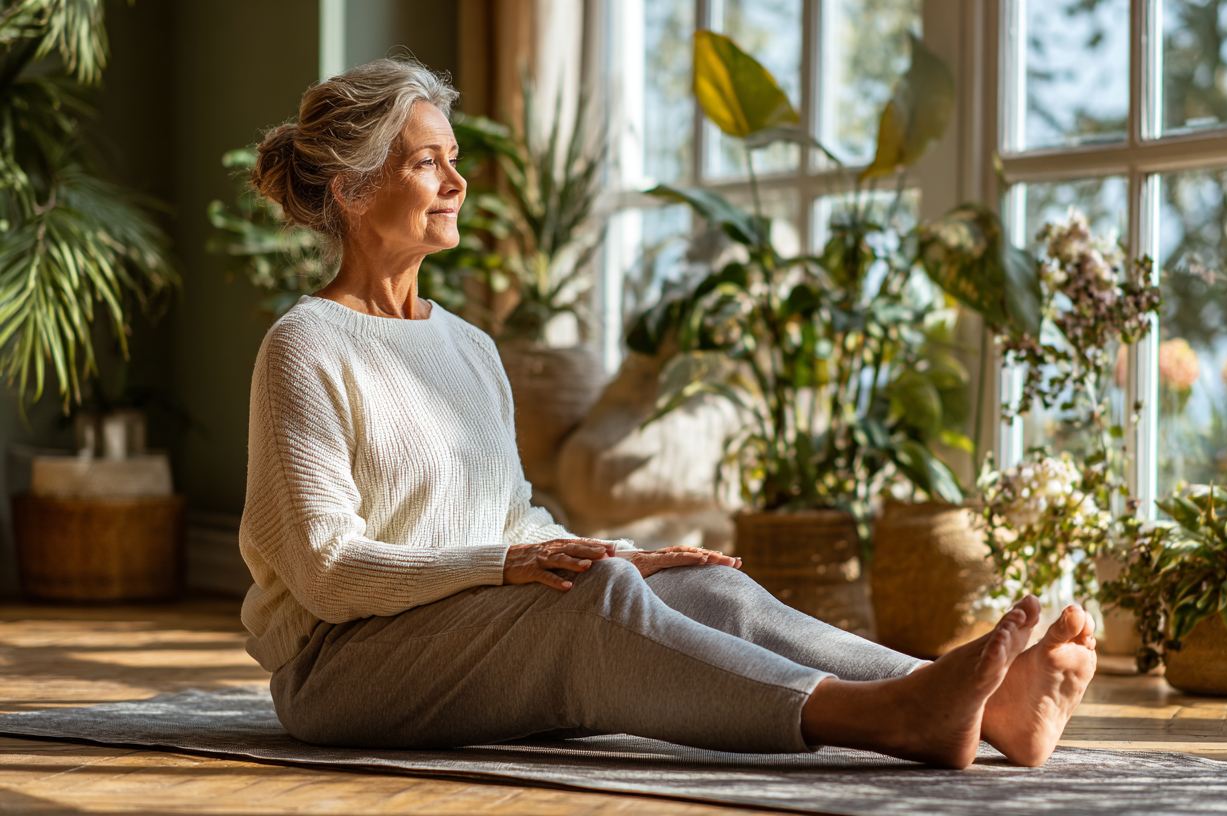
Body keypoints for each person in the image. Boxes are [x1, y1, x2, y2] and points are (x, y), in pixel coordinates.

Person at [238, 57, 1096, 770]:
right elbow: (327, 570)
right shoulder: (306, 345)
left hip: (460, 629)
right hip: (345, 668)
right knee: (597, 605)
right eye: (428, 162)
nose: (458, 181)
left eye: (454, 157)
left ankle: (972, 697)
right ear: (350, 190)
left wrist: (617, 555)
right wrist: (511, 565)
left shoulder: (469, 347)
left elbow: (513, 519)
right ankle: (881, 718)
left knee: (698, 582)